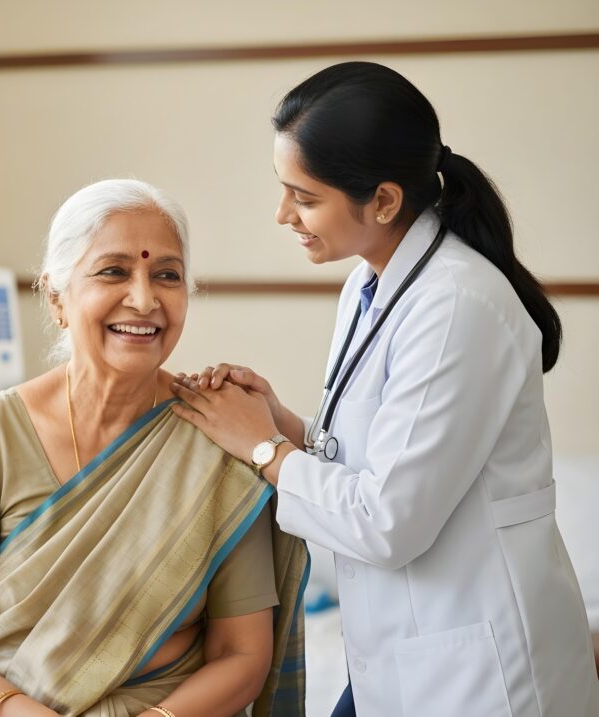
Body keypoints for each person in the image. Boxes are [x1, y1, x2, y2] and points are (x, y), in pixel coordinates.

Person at [170, 62, 599, 716]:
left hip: (479, 674)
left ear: (385, 201)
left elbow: (388, 520)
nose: (282, 213)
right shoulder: (371, 282)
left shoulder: (457, 304)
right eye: (283, 189)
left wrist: (263, 450)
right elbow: (383, 452)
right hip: (405, 654)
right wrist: (285, 423)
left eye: (304, 197)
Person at [0, 179, 310, 717]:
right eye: (113, 271)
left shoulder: (218, 435)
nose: (144, 299)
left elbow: (241, 655)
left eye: (166, 274)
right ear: (56, 298)